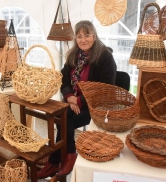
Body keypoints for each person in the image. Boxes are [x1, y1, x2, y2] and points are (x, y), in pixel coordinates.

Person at [37, 20, 117, 179]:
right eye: (79, 36)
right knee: (61, 116)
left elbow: (104, 91)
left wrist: (78, 102)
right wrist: (70, 97)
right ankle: (62, 159)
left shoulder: (105, 57)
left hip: (95, 107)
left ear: (94, 36)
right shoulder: (74, 55)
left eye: (87, 35)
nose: (83, 39)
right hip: (72, 101)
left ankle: (60, 159)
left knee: (64, 119)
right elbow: (63, 79)